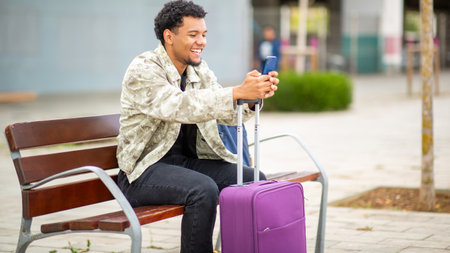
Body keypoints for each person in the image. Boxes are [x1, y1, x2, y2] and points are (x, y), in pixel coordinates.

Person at [116, 1, 279, 252]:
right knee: (203, 190)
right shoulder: (143, 68)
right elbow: (178, 106)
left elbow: (223, 112)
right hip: (142, 171)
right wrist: (236, 92)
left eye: (203, 35)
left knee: (253, 179)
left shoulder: (199, 71)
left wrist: (250, 98)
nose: (201, 41)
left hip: (184, 164)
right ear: (169, 36)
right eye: (193, 35)